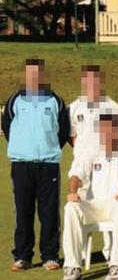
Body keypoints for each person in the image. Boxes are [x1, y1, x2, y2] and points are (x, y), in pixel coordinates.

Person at [2, 58, 70, 272]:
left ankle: (50, 255)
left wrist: (48, 149)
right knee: (24, 210)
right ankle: (23, 256)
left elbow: (63, 131)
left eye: (37, 74)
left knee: (49, 211)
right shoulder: (15, 100)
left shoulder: (55, 100)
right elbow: (7, 128)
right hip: (21, 164)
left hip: (48, 165)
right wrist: (23, 149)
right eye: (30, 74)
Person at [62, 113, 118, 280]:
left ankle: (116, 267)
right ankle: (72, 267)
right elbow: (77, 174)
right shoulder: (93, 151)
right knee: (71, 208)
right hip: (96, 205)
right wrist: (72, 192)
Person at [68, 64, 118, 259]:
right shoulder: (74, 108)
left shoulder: (113, 107)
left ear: (101, 82)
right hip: (83, 165)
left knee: (108, 204)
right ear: (84, 82)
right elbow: (72, 136)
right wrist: (83, 152)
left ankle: (111, 252)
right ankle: (81, 253)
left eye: (96, 80)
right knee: (80, 207)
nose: (92, 84)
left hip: (107, 166)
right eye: (88, 80)